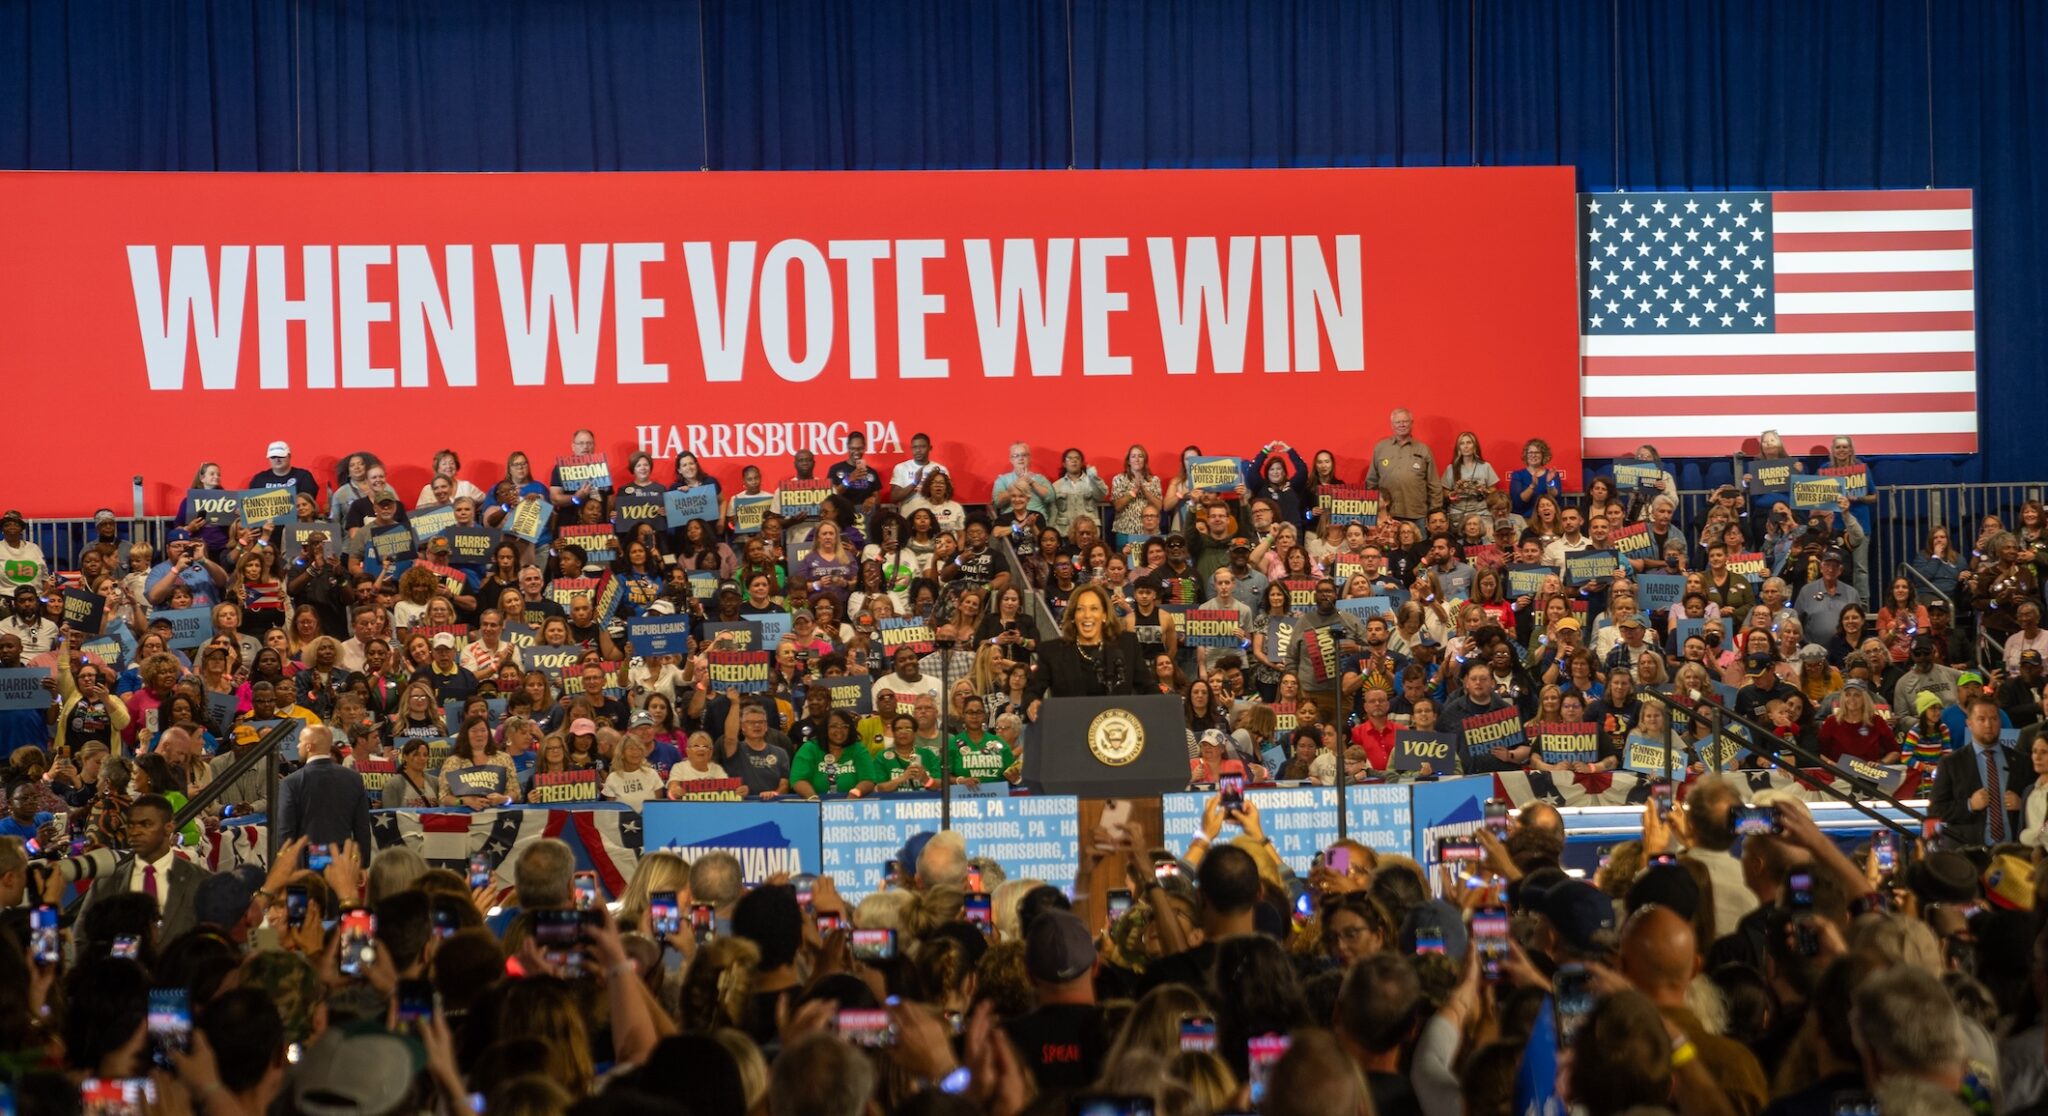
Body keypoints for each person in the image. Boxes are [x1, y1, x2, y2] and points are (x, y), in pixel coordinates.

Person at [71, 794, 207, 945]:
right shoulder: (108, 880)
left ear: (168, 828)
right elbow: (81, 937)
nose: (135, 832)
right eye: (131, 825)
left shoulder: (199, 880)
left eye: (146, 824)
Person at [1025, 583, 1157, 717]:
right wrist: (1033, 702)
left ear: (1104, 615)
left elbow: (1147, 687)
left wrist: (1166, 704)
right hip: (1070, 728)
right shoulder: (1052, 651)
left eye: (1094, 608)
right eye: (1080, 609)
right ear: (1072, 616)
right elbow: (1032, 692)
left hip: (1115, 728)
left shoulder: (1126, 645)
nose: (1087, 615)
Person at [1929, 695, 2035, 845]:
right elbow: (1935, 810)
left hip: (2014, 852)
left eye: (1994, 719)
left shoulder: (2021, 761)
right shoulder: (1951, 763)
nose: (1988, 725)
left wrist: (2023, 804)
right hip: (1969, 852)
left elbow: (2041, 802)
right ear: (1969, 723)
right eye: (1981, 719)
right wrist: (1969, 805)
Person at [275, 724, 373, 864]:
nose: (298, 746)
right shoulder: (354, 778)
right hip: (343, 860)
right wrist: (363, 865)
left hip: (307, 864)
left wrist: (284, 865)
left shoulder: (291, 782)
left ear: (309, 746)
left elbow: (286, 830)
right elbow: (362, 826)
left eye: (300, 742)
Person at [1364, 408, 1441, 525]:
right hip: (1387, 515)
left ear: (1412, 423)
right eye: (1398, 422)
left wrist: (1435, 512)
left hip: (1416, 515)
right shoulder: (1380, 448)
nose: (1402, 425)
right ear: (1392, 425)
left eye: (1405, 421)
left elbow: (1434, 484)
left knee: (1419, 544)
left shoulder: (1423, 449)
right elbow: (1371, 482)